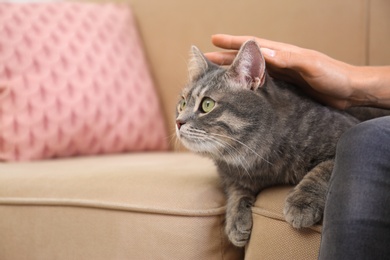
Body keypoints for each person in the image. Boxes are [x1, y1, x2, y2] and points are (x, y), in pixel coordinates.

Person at [205, 34, 390, 260]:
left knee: (364, 141)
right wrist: (239, 191)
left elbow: (337, 143)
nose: (180, 119)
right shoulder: (234, 155)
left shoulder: (305, 129)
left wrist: (313, 188)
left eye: (205, 104)